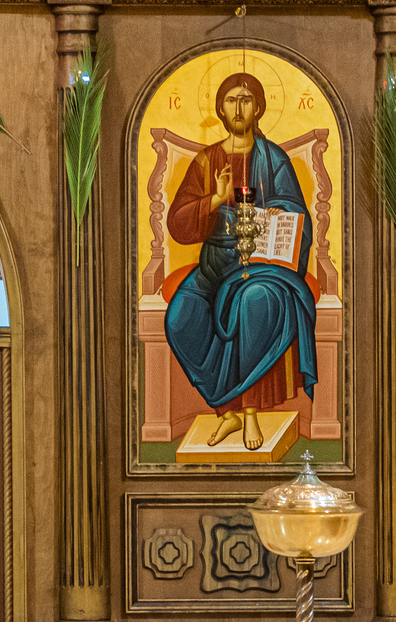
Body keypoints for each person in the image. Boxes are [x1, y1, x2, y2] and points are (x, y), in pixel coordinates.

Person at [164, 73, 319, 451]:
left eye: (246, 100)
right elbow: (179, 224)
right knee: (179, 316)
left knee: (255, 303)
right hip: (215, 266)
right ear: (219, 107)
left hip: (262, 264)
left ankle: (250, 414)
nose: (238, 107)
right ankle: (226, 411)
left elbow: (296, 212)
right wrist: (214, 200)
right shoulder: (206, 161)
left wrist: (269, 220)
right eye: (231, 100)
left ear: (259, 108)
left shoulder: (274, 158)